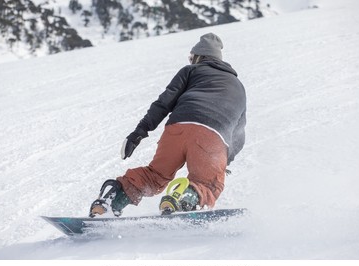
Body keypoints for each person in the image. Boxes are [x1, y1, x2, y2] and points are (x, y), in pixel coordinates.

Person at [89, 33, 246, 217]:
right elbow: (239, 134)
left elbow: (164, 103)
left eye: (191, 58)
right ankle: (182, 199)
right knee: (208, 184)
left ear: (199, 57)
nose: (190, 61)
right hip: (212, 137)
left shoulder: (190, 71)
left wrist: (139, 132)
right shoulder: (239, 87)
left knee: (154, 177)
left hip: (178, 128)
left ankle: (109, 200)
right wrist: (225, 159)